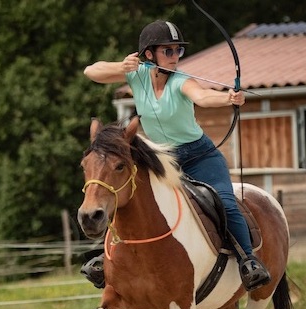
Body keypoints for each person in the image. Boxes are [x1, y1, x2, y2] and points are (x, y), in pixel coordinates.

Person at [82, 20, 271, 291]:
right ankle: (106, 259)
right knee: (128, 199)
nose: (174, 57)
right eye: (168, 51)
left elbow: (203, 97)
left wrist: (229, 98)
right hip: (164, 159)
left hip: (200, 157)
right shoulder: (136, 75)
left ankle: (248, 262)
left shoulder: (182, 82)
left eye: (177, 51)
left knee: (226, 203)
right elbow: (91, 71)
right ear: (149, 54)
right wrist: (121, 67)